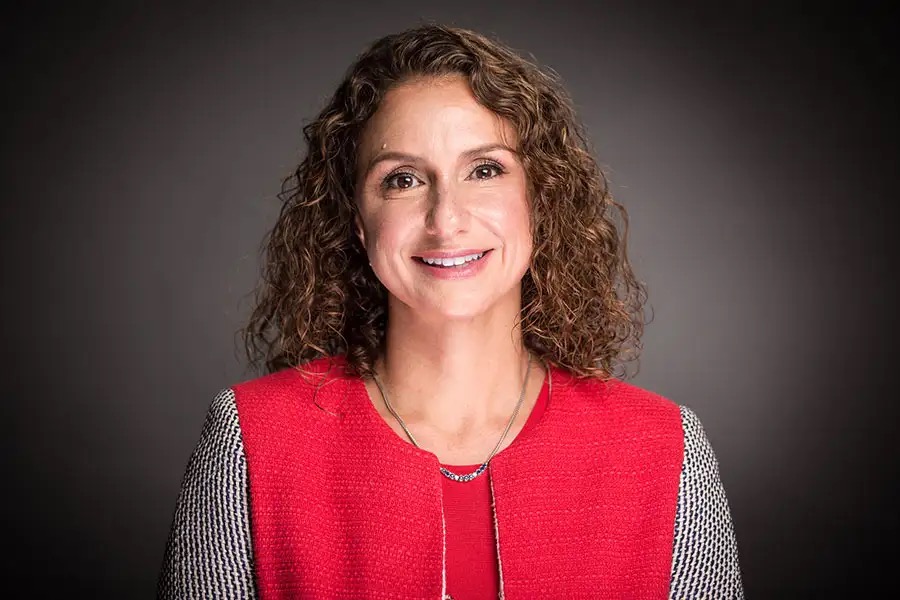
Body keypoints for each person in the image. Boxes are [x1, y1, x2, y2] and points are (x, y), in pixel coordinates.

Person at [157, 24, 743, 599]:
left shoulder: (665, 449)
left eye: (484, 170)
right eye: (403, 179)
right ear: (360, 223)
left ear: (538, 201)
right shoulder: (249, 441)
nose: (446, 219)